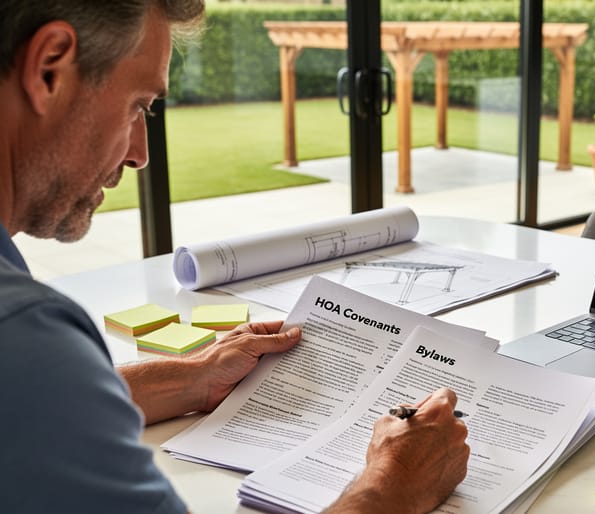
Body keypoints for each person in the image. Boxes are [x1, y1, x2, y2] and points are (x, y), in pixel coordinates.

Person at [0, 2, 469, 513]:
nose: (140, 154)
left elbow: (30, 409)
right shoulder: (24, 334)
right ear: (49, 67)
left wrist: (190, 377)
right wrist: (393, 484)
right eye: (138, 105)